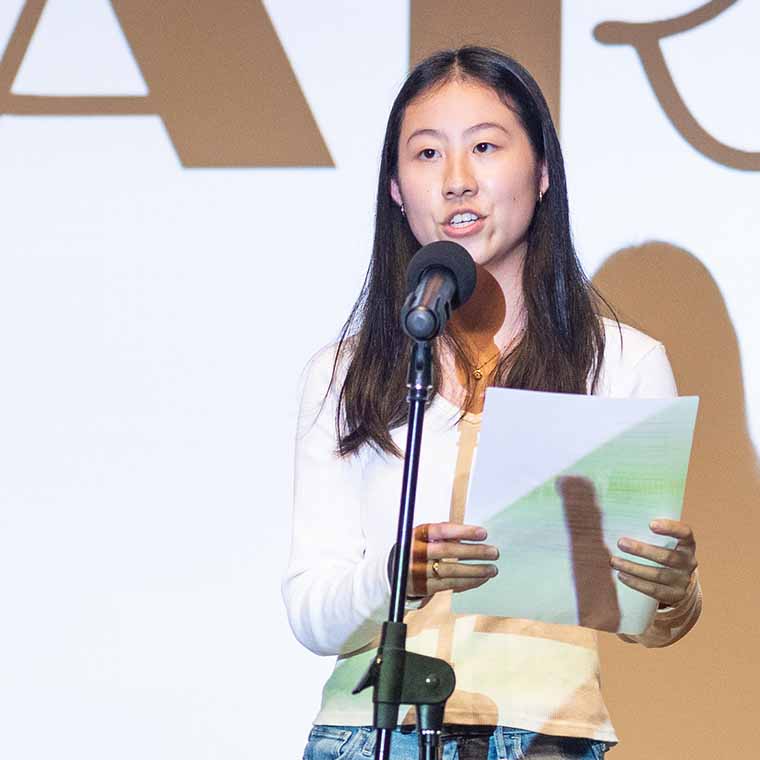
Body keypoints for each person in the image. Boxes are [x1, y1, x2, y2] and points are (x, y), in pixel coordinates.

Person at [283, 47, 701, 760]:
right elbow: (312, 614)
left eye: (484, 147)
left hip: (544, 737)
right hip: (367, 734)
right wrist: (395, 576)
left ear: (541, 174)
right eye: (426, 154)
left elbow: (642, 618)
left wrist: (673, 594)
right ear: (394, 186)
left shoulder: (623, 363)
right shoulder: (345, 373)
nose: (456, 182)